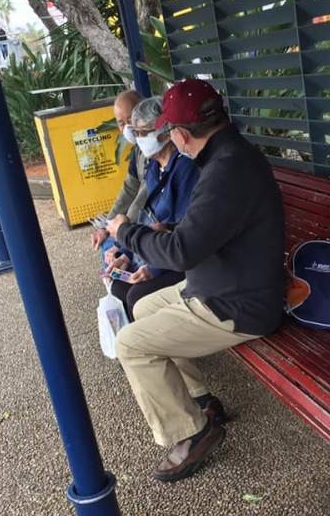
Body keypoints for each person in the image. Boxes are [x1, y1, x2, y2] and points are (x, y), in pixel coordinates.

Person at [107, 78, 285, 483]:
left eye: (169, 132)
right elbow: (206, 229)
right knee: (143, 306)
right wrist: (168, 229)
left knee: (130, 344)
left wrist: (126, 233)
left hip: (238, 303)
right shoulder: (228, 156)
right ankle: (200, 400)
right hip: (224, 283)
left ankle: (192, 433)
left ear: (181, 135)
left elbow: (183, 253)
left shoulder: (225, 171)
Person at [103, 96, 199, 321]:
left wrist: (153, 269)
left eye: (143, 132)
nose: (137, 138)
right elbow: (147, 218)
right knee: (118, 285)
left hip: (178, 258)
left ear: (165, 132)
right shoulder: (154, 168)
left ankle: (151, 340)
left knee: (136, 296)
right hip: (155, 248)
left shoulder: (185, 168)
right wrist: (126, 254)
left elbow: (183, 232)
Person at [90, 90, 149, 260]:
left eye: (130, 120)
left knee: (114, 249)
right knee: (107, 244)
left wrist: (122, 230)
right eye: (121, 123)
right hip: (137, 226)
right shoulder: (138, 150)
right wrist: (107, 225)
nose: (127, 127)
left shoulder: (154, 149)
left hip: (150, 226)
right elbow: (130, 188)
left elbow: (145, 195)